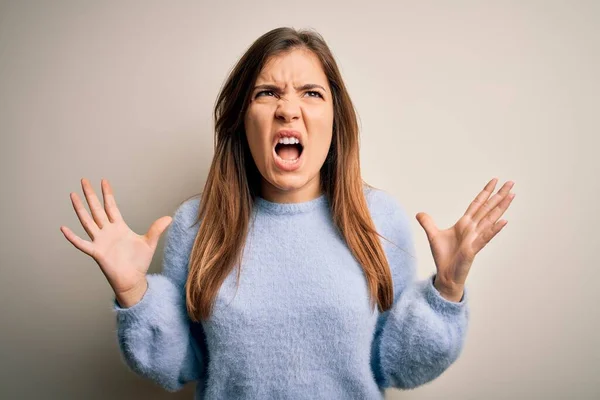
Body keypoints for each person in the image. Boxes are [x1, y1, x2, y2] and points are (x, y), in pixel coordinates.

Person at [60, 26, 515, 399]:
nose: (288, 110)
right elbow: (184, 364)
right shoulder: (198, 227)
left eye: (312, 93)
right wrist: (134, 292)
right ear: (242, 119)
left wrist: (447, 290)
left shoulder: (381, 221)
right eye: (267, 93)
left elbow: (396, 366)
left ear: (336, 121)